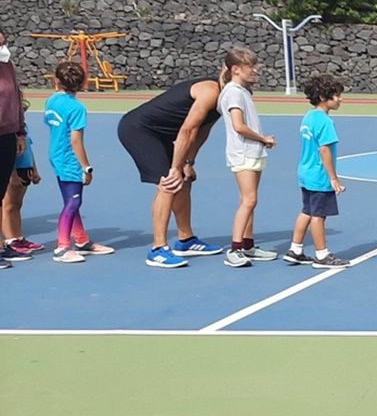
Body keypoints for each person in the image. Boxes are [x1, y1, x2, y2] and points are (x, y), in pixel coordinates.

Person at [118, 75, 225, 268]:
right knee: (168, 183)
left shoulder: (227, 96)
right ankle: (157, 250)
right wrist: (175, 167)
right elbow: (188, 129)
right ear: (233, 70)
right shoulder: (211, 91)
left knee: (183, 181)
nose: (255, 76)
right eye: (250, 69)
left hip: (161, 136)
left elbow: (202, 131)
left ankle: (186, 240)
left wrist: (188, 162)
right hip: (138, 130)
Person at [44, 62, 114, 263]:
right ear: (84, 82)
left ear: (56, 80)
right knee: (74, 202)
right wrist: (86, 167)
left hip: (55, 155)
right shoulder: (76, 108)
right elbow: (76, 140)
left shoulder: (51, 101)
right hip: (69, 159)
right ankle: (62, 247)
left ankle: (82, 241)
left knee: (70, 200)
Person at [217, 48, 278, 268]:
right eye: (250, 67)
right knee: (249, 200)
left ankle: (248, 245)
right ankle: (234, 250)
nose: (255, 70)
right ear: (235, 69)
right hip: (243, 152)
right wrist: (263, 137)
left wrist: (261, 142)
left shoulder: (242, 91)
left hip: (252, 151)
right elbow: (238, 126)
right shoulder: (233, 92)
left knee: (252, 200)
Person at [282, 74, 349, 269]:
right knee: (319, 216)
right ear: (323, 97)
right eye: (336, 95)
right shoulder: (326, 122)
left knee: (307, 211)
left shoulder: (309, 116)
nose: (340, 99)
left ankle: (295, 250)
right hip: (319, 176)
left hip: (305, 172)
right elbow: (324, 150)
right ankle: (322, 255)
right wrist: (333, 178)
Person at [0, 29, 30, 269]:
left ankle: (2, 244)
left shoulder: (7, 65)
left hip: (8, 135)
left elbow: (16, 99)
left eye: (3, 40)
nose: (3, 45)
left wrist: (20, 132)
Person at [3, 99, 45, 257]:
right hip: (12, 172)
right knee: (9, 205)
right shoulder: (7, 131)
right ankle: (10, 239)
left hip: (25, 168)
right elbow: (7, 154)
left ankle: (19, 237)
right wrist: (11, 174)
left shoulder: (23, 130)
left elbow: (29, 150)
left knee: (18, 205)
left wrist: (35, 169)